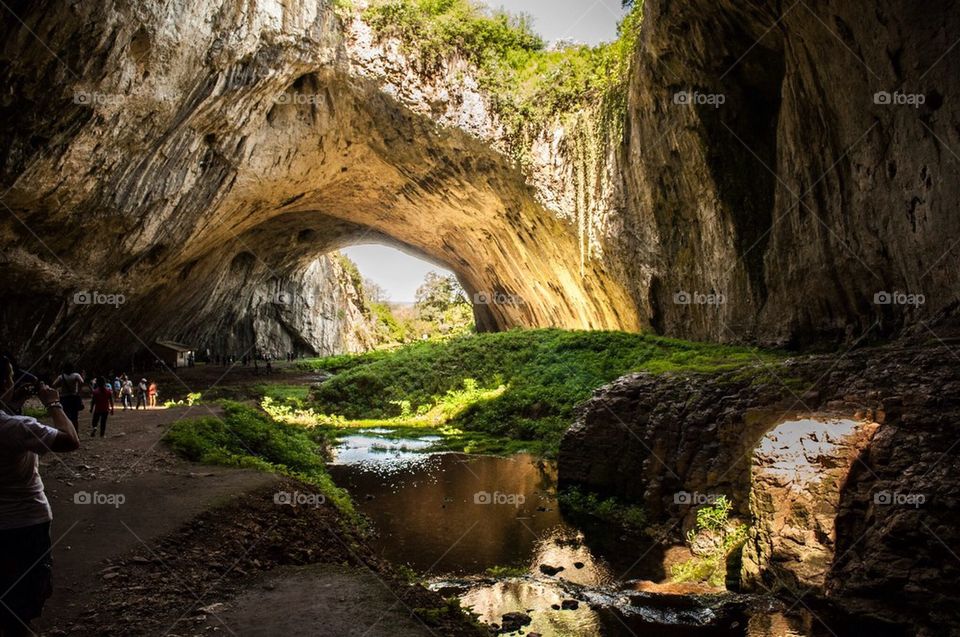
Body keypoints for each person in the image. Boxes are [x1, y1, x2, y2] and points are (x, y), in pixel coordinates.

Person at [0, 353, 80, 635]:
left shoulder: (11, 421)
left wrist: (11, 403)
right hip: (24, 523)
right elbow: (70, 441)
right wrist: (54, 404)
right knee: (22, 599)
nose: (13, 381)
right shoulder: (17, 426)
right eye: (9, 376)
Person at [52, 363, 84, 428]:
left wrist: (58, 392)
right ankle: (76, 432)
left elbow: (54, 385)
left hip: (64, 398)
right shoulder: (76, 375)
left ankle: (68, 430)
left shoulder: (61, 376)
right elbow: (82, 382)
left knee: (66, 416)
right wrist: (78, 391)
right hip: (74, 397)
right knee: (75, 417)